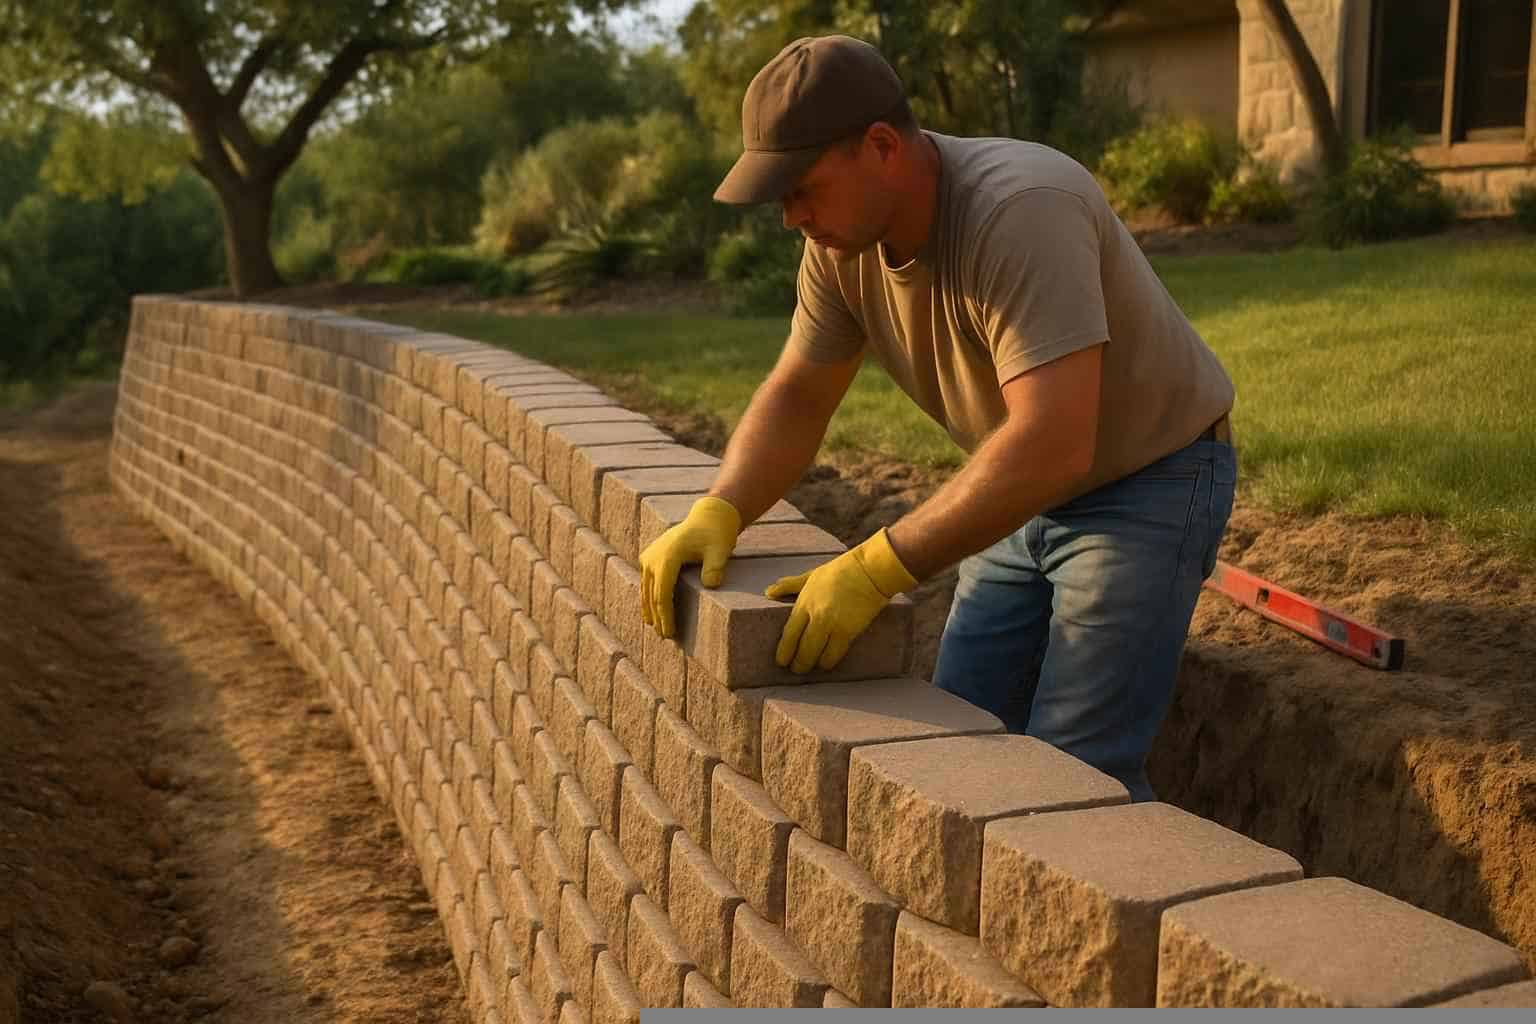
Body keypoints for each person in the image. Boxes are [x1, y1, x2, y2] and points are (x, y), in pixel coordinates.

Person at [637, 34, 1236, 802]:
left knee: (1078, 772)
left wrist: (874, 568)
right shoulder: (840, 246)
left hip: (1150, 477)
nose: (791, 217)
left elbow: (1056, 440)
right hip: (1025, 483)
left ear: (882, 147)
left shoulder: (1021, 209)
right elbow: (799, 395)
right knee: (958, 731)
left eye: (803, 188)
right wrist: (721, 508)